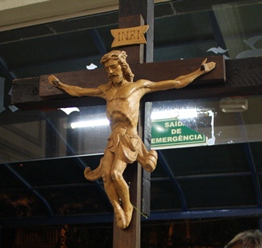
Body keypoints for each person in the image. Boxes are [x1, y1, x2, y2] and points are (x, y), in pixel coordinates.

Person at [49, 50, 215, 229]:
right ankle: (117, 208)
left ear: (123, 67)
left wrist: (200, 71)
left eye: (114, 67)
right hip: (113, 137)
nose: (110, 72)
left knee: (115, 174)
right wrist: (59, 85)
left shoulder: (139, 86)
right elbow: (79, 91)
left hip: (128, 137)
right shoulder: (105, 90)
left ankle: (127, 207)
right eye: (107, 69)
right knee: (105, 176)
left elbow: (176, 82)